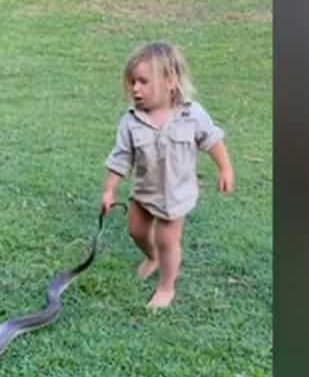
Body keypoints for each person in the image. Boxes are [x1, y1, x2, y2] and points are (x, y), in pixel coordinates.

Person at [100, 42, 235, 309]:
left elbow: (213, 140)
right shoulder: (131, 121)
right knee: (136, 230)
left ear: (170, 81)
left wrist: (225, 169)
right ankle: (152, 257)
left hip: (176, 195)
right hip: (144, 192)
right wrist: (109, 190)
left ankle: (166, 287)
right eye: (131, 82)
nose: (134, 88)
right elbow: (121, 157)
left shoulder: (191, 114)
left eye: (143, 81)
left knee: (167, 240)